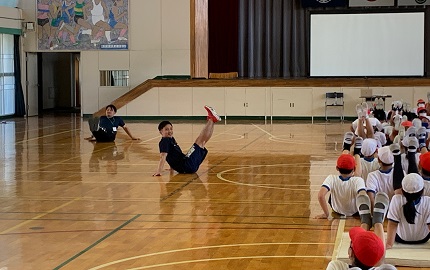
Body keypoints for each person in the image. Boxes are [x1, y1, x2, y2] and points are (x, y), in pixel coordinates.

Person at [326, 192, 396, 270]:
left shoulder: (336, 266)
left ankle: (365, 222)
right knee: (382, 263)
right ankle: (378, 222)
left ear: (350, 253)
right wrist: (380, 262)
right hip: (378, 265)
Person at [153, 105, 221, 176]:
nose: (170, 131)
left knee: (202, 142)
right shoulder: (165, 141)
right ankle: (211, 119)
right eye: (166, 129)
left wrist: (172, 167)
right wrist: (159, 171)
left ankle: (212, 120)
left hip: (186, 163)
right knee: (200, 141)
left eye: (171, 129)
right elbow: (163, 156)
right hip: (186, 166)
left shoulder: (170, 139)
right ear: (161, 132)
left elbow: (171, 155)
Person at [316, 152, 366, 219]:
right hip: (354, 212)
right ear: (354, 169)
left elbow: (320, 195)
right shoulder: (358, 180)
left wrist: (326, 214)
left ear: (337, 168)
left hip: (337, 211)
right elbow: (363, 196)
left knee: (331, 194)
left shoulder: (331, 178)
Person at [386, 173, 430, 248]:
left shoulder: (396, 199)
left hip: (401, 239)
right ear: (422, 190)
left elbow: (392, 224)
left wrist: (389, 244)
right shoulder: (428, 201)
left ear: (402, 190)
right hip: (423, 239)